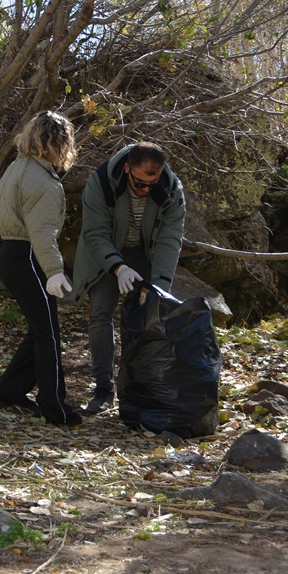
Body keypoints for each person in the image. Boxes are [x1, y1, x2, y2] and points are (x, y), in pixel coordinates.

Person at [66, 142, 186, 415]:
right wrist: (118, 268)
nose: (146, 190)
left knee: (147, 318)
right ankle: (103, 389)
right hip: (106, 253)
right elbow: (94, 234)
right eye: (140, 183)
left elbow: (169, 240)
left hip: (145, 253)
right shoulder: (101, 181)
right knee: (100, 314)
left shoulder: (171, 190)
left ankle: (136, 389)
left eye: (152, 184)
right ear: (127, 168)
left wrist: (159, 290)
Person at [0, 110, 84, 427]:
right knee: (48, 335)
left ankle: (6, 392)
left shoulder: (17, 168)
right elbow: (41, 233)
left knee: (40, 331)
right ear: (59, 144)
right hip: (27, 256)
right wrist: (55, 270)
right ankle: (55, 408)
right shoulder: (42, 181)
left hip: (11, 255)